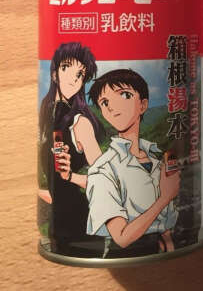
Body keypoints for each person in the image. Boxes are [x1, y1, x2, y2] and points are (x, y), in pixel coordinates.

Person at [86, 69, 180, 257]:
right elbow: (121, 238)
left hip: (162, 251)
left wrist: (168, 241)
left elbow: (164, 222)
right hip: (123, 254)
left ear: (143, 105)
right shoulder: (103, 170)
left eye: (124, 95)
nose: (112, 107)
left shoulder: (156, 161)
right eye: (105, 102)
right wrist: (164, 199)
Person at [39, 42, 105, 255]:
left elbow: (105, 179)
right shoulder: (48, 114)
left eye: (80, 74)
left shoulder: (80, 123)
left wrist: (70, 176)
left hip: (82, 228)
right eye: (66, 67)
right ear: (54, 73)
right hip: (58, 223)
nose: (73, 79)